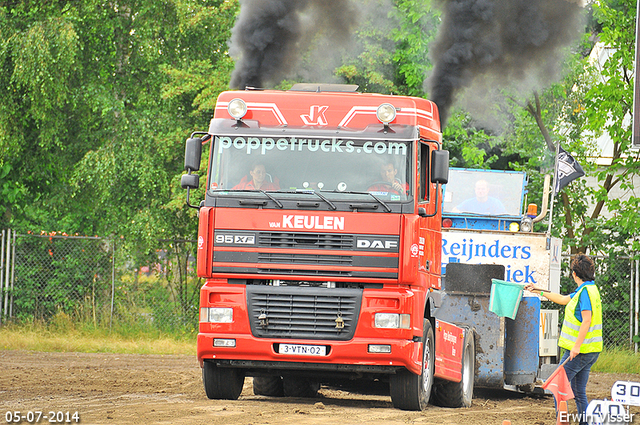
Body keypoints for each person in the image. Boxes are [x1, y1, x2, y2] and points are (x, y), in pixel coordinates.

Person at [525, 254, 602, 425]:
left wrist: (576, 347)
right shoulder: (588, 289)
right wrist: (538, 290)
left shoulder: (584, 293)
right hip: (590, 350)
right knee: (578, 391)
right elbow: (562, 299)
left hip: (580, 351)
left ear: (574, 274)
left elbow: (587, 320)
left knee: (557, 387)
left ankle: (562, 422)